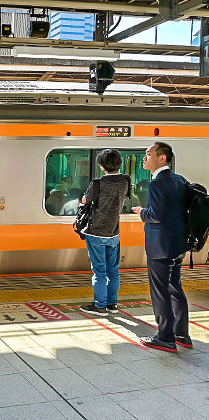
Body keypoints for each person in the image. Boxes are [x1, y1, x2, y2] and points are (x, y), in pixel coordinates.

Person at [132, 142, 191, 352]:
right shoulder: (180, 180)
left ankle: (165, 337)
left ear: (162, 158)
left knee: (160, 292)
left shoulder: (157, 184)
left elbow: (155, 216)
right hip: (178, 245)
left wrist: (141, 212)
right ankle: (182, 334)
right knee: (175, 288)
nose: (144, 158)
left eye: (148, 154)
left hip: (160, 247)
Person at [80, 149, 130, 317]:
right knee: (113, 270)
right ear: (119, 164)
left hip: (95, 232)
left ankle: (100, 306)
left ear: (101, 166)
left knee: (99, 271)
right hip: (114, 232)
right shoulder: (125, 180)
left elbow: (85, 202)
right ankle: (112, 304)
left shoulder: (97, 183)